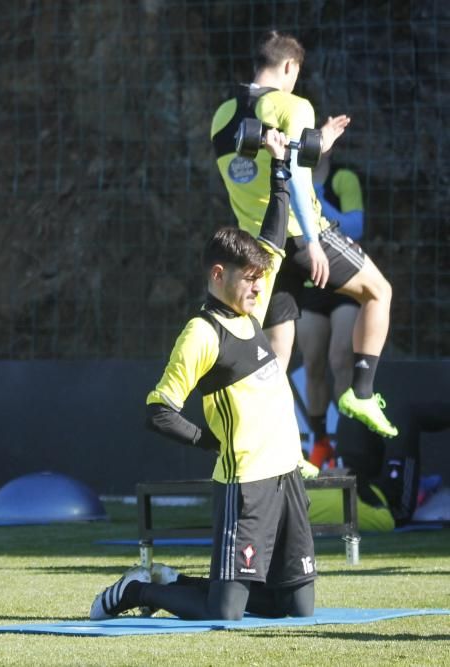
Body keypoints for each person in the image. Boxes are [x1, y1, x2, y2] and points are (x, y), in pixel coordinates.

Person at [91, 130, 318, 621]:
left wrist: (280, 169)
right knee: (226, 615)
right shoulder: (202, 332)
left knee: (297, 609)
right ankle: (138, 592)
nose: (259, 286)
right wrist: (207, 441)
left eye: (261, 278)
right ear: (218, 275)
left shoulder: (250, 311)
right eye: (249, 278)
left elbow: (273, 237)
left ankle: (176, 582)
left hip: (287, 477)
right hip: (246, 484)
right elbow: (159, 410)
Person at [210, 30, 397, 439]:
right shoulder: (292, 104)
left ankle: (284, 449)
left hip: (260, 249)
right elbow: (293, 174)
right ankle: (361, 393)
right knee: (379, 292)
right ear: (290, 66)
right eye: (297, 73)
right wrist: (313, 240)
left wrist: (318, 143)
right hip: (299, 233)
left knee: (279, 351)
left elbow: (262, 167)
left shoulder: (222, 116)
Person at [297, 149, 366, 467]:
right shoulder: (294, 176)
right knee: (312, 364)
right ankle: (321, 442)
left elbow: (354, 227)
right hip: (311, 282)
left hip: (345, 280)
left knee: (341, 359)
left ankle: (349, 443)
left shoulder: (343, 179)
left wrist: (312, 197)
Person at [308, 403, 450, 531]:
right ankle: (415, 486)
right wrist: (355, 481)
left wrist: (327, 476)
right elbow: (386, 521)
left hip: (355, 481)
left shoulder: (290, 487)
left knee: (352, 412)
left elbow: (312, 474)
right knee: (406, 417)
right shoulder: (301, 520)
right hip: (389, 505)